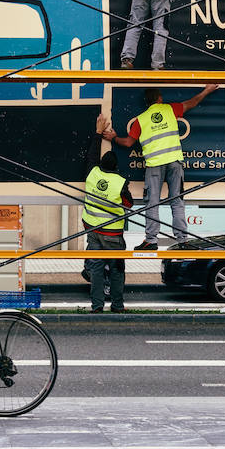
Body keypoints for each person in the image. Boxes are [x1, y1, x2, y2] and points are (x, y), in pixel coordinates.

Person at [104, 85, 218, 250]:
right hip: (175, 162)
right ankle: (182, 241)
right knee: (177, 201)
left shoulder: (140, 119)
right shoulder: (169, 109)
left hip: (154, 164)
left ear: (146, 102)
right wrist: (206, 90)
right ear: (159, 99)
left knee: (152, 203)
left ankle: (151, 241)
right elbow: (192, 103)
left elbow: (128, 142)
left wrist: (114, 138)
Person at [83, 114, 133, 313]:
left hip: (93, 232)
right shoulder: (120, 183)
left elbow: (91, 155)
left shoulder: (92, 173)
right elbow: (128, 204)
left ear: (101, 164)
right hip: (113, 236)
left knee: (95, 270)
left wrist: (97, 133)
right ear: (115, 168)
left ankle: (96, 307)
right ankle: (118, 306)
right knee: (116, 270)